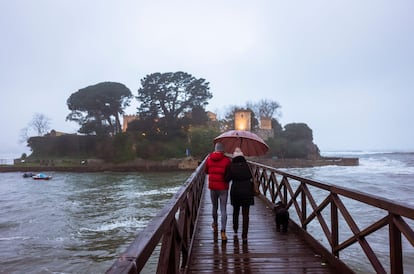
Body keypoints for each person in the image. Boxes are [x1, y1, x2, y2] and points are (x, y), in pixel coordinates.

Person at [224, 147, 254, 244]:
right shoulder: (248, 165)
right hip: (247, 190)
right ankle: (244, 236)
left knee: (235, 211)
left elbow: (227, 179)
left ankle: (235, 228)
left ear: (234, 157)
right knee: (246, 214)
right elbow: (252, 176)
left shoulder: (231, 166)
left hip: (236, 190)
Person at [205, 142, 231, 242]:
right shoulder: (226, 160)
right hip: (223, 187)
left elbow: (206, 171)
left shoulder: (209, 159)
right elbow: (229, 173)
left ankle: (215, 224)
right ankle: (223, 232)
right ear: (222, 150)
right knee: (223, 208)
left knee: (214, 206)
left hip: (213, 187)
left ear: (215, 149)